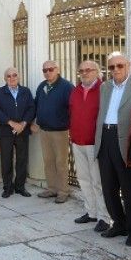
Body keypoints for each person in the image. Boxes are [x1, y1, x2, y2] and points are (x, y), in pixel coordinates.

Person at [94, 52, 131, 246]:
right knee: (109, 186)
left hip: (125, 140)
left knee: (129, 188)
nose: (115, 70)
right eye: (112, 67)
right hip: (105, 137)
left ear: (128, 66)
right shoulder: (105, 87)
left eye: (120, 66)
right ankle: (119, 224)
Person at [68, 60, 110, 232]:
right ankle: (91, 212)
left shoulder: (104, 89)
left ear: (97, 71)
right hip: (77, 141)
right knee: (84, 180)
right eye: (81, 71)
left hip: (95, 143)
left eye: (88, 70)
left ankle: (104, 217)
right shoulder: (76, 91)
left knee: (98, 182)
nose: (84, 73)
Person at [32, 61, 74, 203]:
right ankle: (52, 188)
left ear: (57, 69)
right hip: (44, 130)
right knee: (48, 161)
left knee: (61, 162)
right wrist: (35, 123)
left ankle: (63, 191)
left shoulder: (66, 87)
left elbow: (73, 109)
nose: (47, 72)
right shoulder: (42, 86)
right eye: (45, 70)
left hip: (60, 131)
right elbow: (36, 104)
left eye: (50, 69)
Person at [0, 67, 35, 198]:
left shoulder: (26, 91)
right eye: (9, 76)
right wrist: (11, 123)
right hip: (6, 131)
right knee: (6, 160)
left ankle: (20, 187)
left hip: (23, 131)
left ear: (19, 77)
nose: (12, 78)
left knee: (22, 160)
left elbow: (31, 109)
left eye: (14, 75)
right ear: (5, 78)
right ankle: (8, 187)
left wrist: (23, 124)